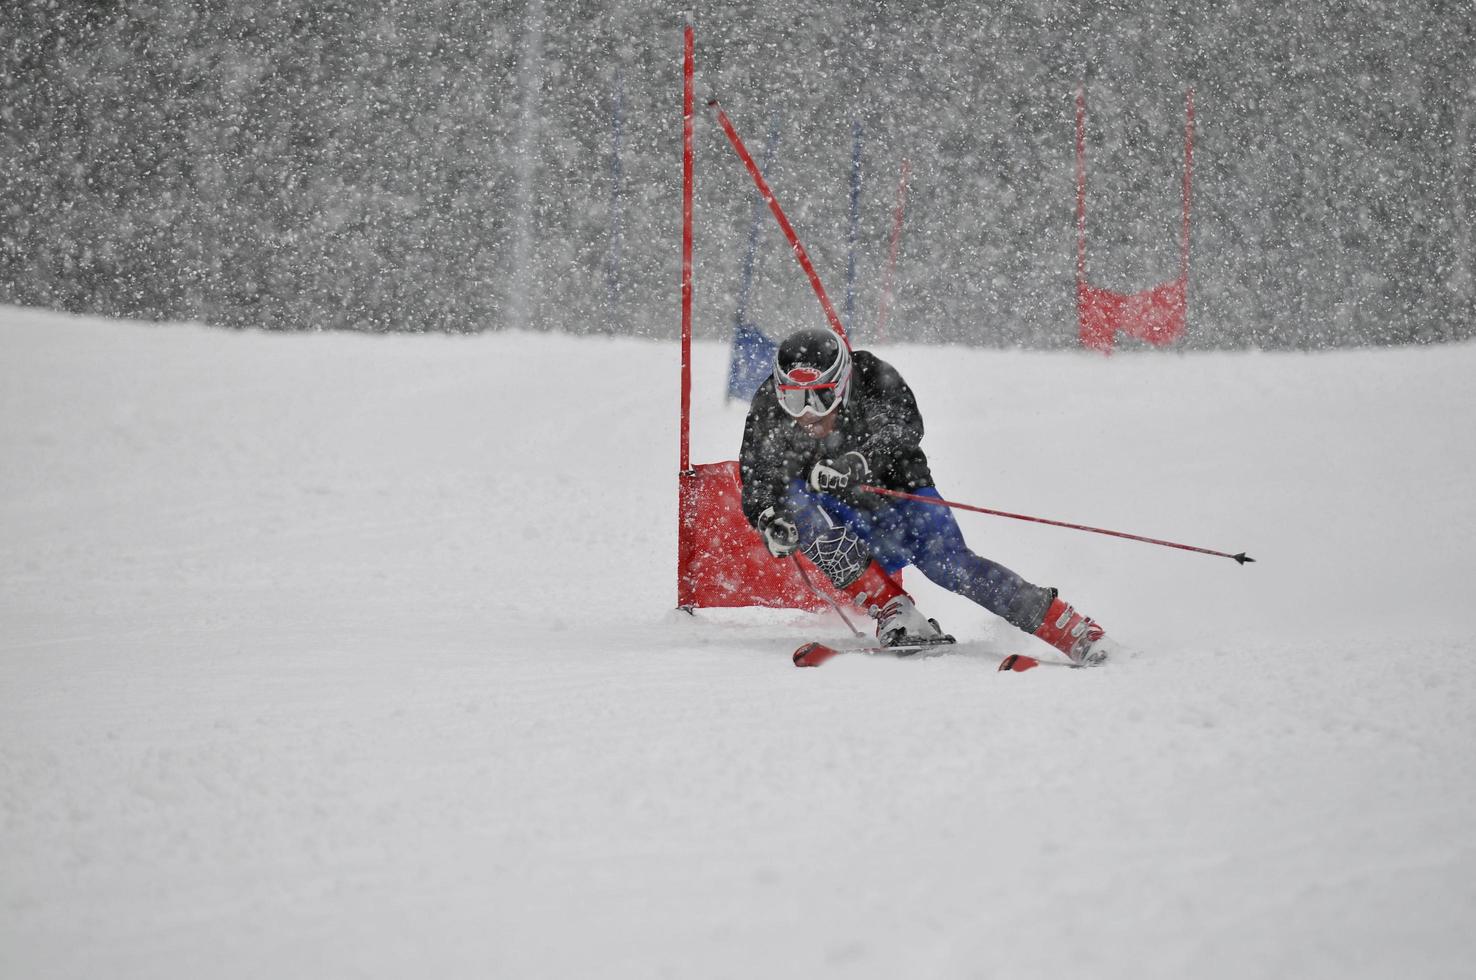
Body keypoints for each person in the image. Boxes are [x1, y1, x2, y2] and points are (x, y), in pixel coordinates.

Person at [739, 326, 1111, 665]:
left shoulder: (870, 375)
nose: (805, 414)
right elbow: (758, 475)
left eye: (818, 399)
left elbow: (903, 427)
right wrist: (769, 518)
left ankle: (1068, 627)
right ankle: (893, 610)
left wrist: (856, 463)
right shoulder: (768, 406)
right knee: (793, 502)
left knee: (949, 566)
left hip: (898, 491)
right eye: (792, 398)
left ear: (840, 385)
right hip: (832, 508)